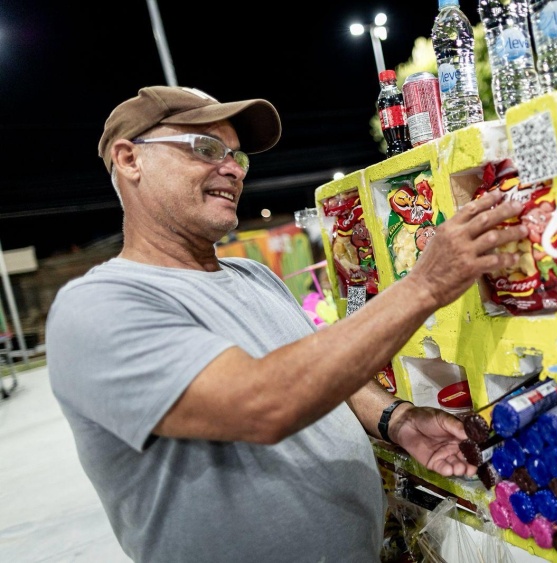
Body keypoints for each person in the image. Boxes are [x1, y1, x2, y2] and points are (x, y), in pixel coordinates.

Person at [45, 85, 528, 562]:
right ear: (130, 160)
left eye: (238, 156)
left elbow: (326, 375)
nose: (232, 168)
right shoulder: (97, 307)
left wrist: (396, 419)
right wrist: (425, 285)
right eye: (206, 148)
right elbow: (261, 403)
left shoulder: (253, 276)